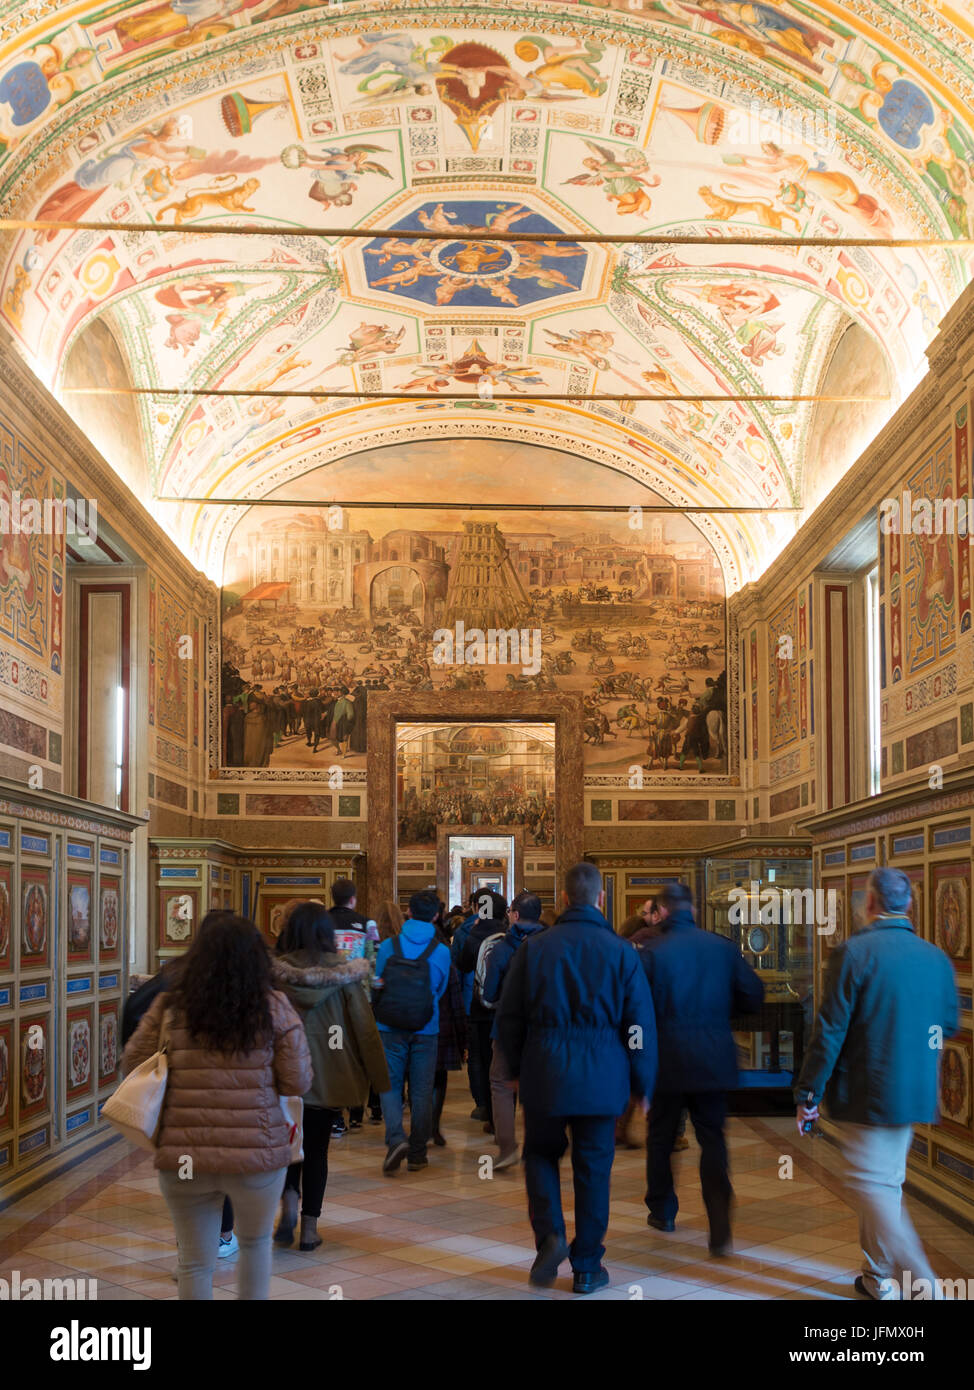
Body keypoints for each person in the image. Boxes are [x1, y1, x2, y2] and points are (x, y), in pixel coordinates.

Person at [121, 914, 312, 1300]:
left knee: (193, 1261)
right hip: (257, 1154)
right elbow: (298, 1081)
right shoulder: (275, 1006)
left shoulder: (171, 1006)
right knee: (256, 1247)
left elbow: (132, 1063)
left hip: (185, 1153)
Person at [795, 866, 958, 1300]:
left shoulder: (853, 954)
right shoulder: (935, 957)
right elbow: (948, 1024)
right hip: (916, 1091)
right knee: (886, 1184)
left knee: (874, 1186)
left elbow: (829, 1032)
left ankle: (927, 1289)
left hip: (868, 1092)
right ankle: (876, 1277)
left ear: (869, 904)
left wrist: (809, 1094)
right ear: (909, 905)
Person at [496, 862, 657, 1294]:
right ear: (601, 899)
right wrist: (643, 1083)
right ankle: (587, 1267)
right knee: (593, 1171)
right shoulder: (623, 952)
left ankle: (550, 1236)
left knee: (541, 1156)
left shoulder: (534, 948)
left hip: (545, 1073)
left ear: (564, 899)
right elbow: (639, 1026)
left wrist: (512, 1070)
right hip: (603, 1079)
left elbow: (508, 1018)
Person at [638, 881, 763, 1256]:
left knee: (660, 1137)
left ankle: (663, 1210)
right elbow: (753, 997)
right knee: (712, 1140)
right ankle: (719, 1223)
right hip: (712, 1057)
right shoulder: (721, 948)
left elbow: (636, 1008)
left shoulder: (650, 952)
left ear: (661, 911)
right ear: (692, 909)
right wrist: (721, 1016)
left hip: (666, 1060)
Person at [270, 901, 389, 1249]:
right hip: (329, 1074)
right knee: (317, 1150)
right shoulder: (347, 976)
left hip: (283, 1076)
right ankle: (309, 1228)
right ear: (327, 933)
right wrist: (380, 1082)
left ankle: (288, 1204)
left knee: (288, 1144)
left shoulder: (273, 976)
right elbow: (365, 1030)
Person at [373, 889, 451, 1173]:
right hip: (425, 1027)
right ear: (436, 916)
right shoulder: (441, 952)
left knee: (391, 1085)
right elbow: (439, 991)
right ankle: (418, 1152)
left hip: (389, 1026)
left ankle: (395, 1140)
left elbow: (377, 984)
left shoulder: (388, 946)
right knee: (421, 1089)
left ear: (408, 912)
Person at [483, 890, 546, 1168]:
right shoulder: (552, 945)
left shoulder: (501, 948)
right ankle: (540, 1146)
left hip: (508, 1027)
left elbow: (489, 992)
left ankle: (507, 1147)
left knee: (500, 1084)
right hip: (545, 1028)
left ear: (516, 915)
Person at [459, 889, 508, 1134]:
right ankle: (502, 1113)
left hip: (478, 1005)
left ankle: (484, 1107)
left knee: (479, 1059)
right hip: (505, 1009)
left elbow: (463, 964)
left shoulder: (472, 934)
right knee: (503, 1061)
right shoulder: (510, 935)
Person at [433, 908, 469, 1146]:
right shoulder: (444, 956)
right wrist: (463, 1040)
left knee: (416, 1080)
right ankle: (432, 1126)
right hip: (441, 1026)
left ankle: (415, 1128)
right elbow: (455, 1000)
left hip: (407, 1028)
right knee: (438, 1078)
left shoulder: (393, 948)